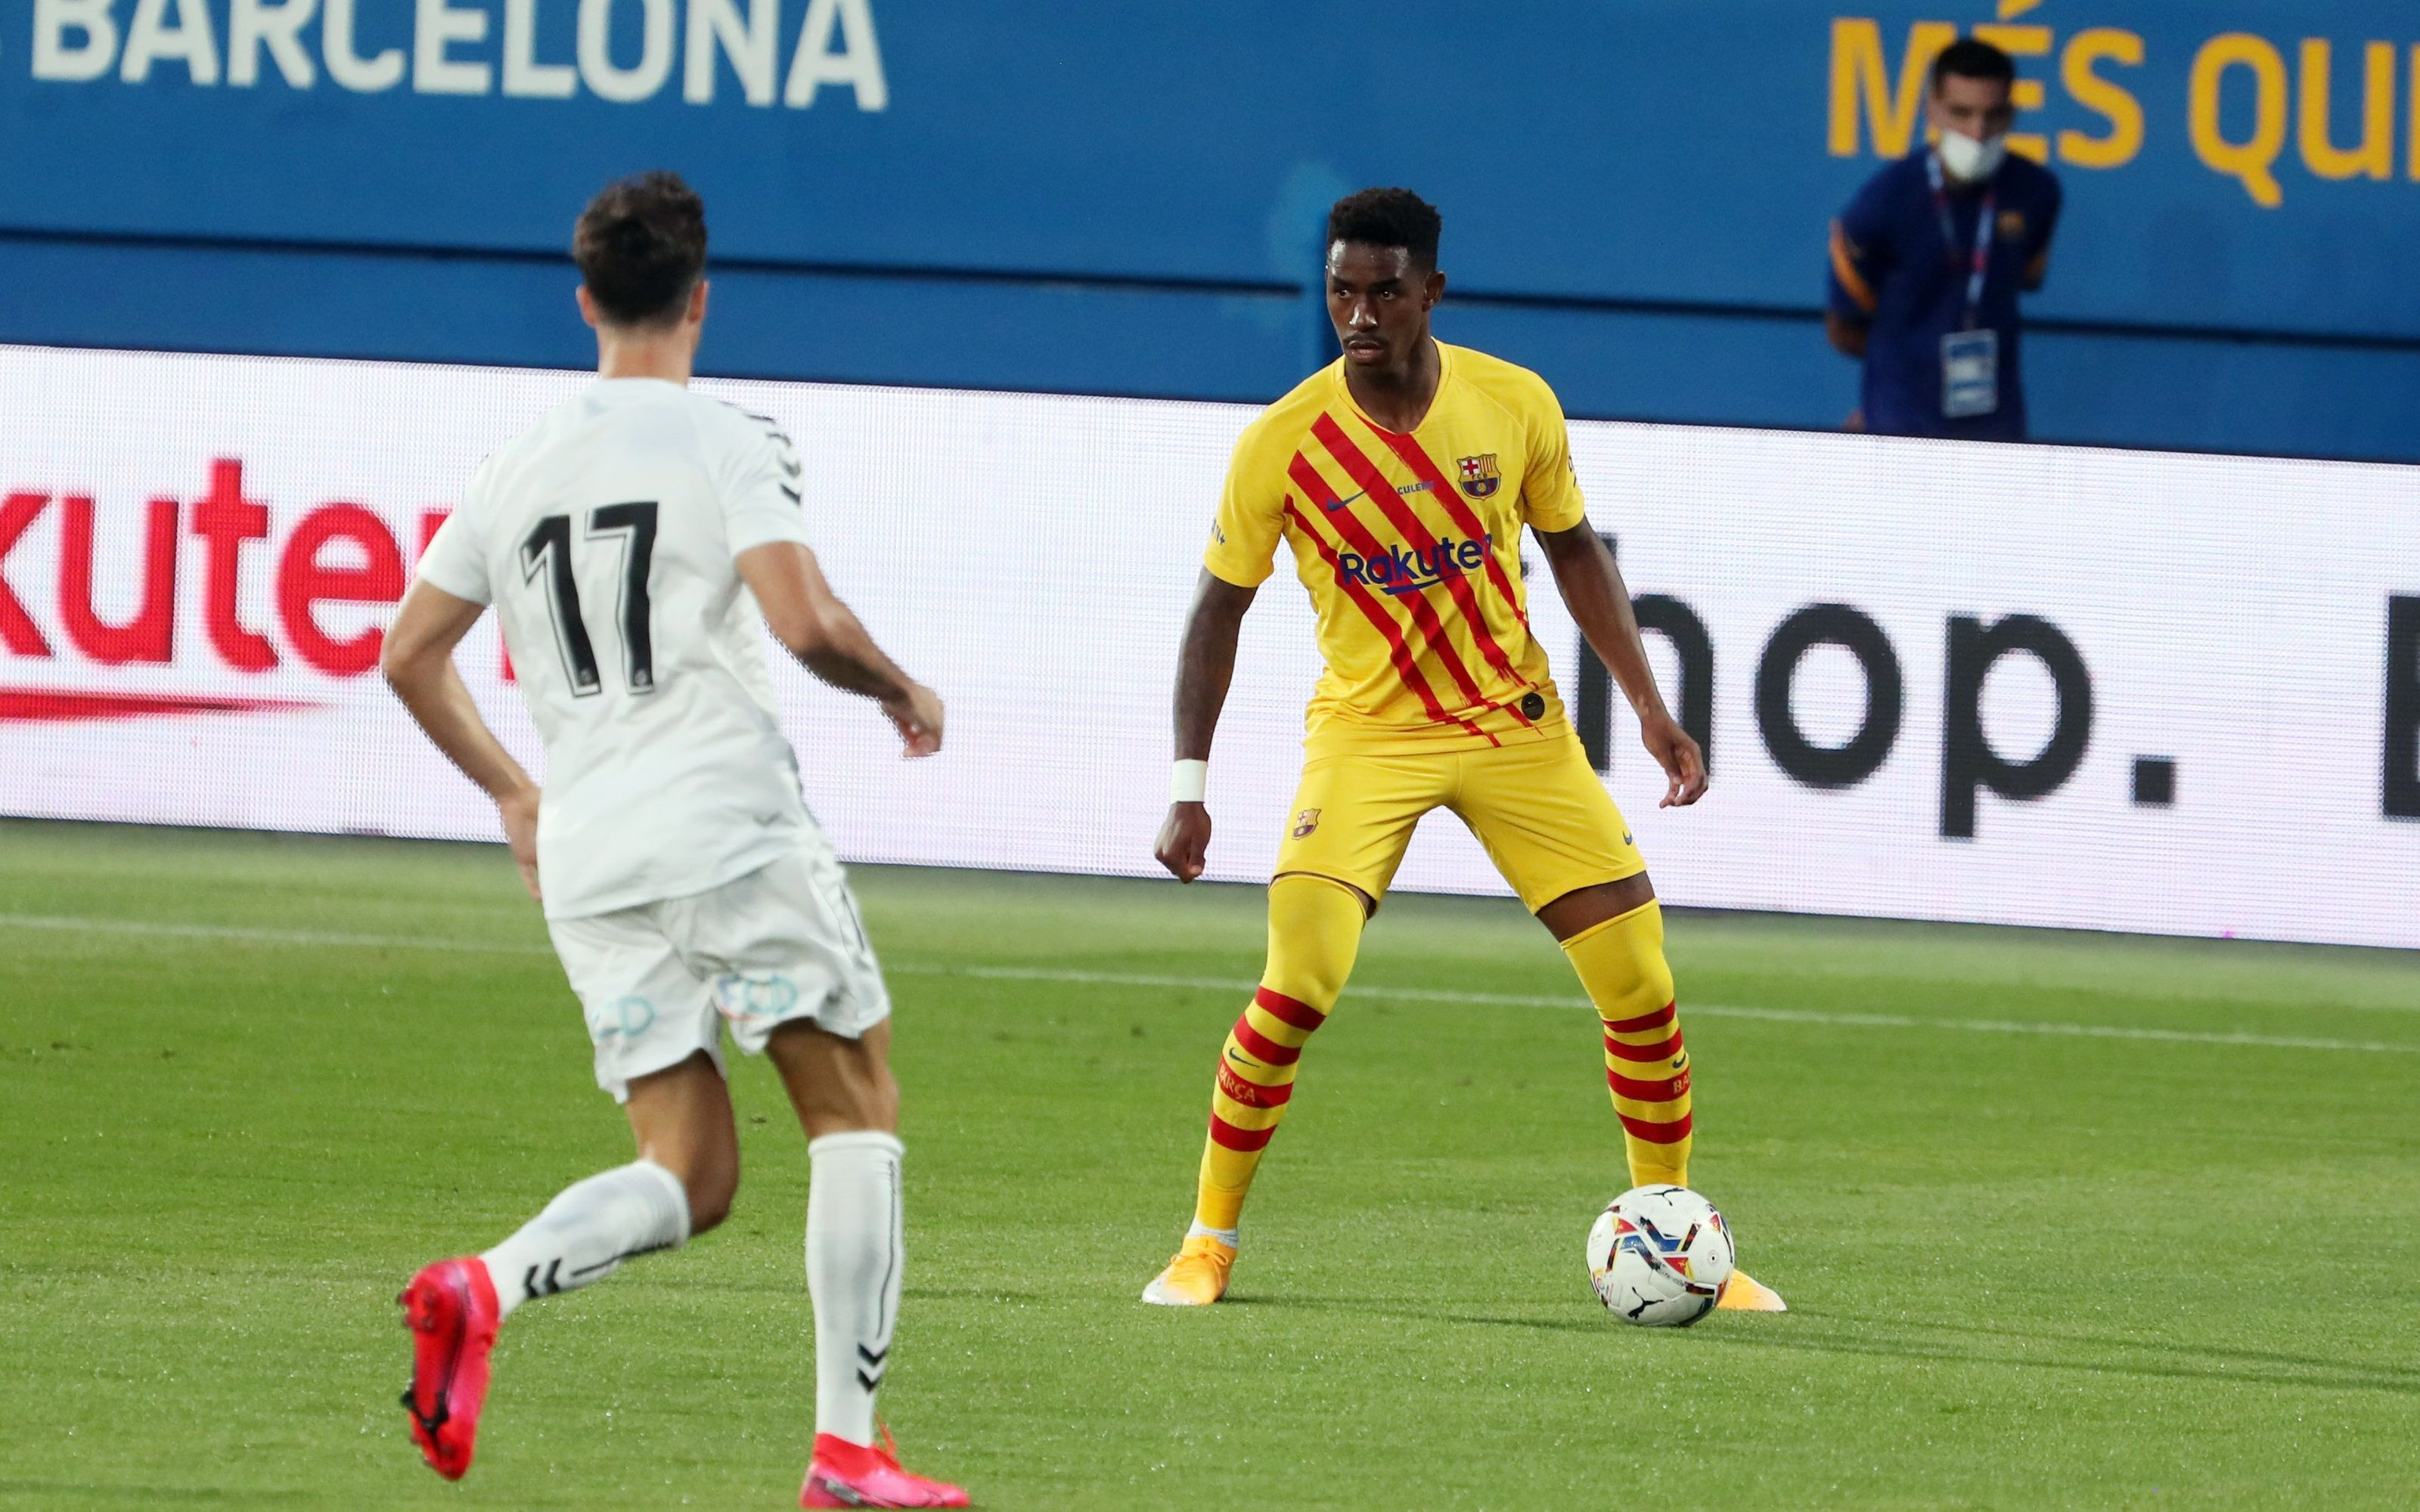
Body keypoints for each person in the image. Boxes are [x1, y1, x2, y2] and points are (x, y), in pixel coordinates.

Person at [379, 171, 967, 1510]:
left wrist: (514, 796)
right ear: (701, 300)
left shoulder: (515, 462)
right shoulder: (727, 439)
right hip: (725, 826)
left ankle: (486, 1285)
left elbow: (409, 656)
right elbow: (805, 621)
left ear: (585, 300)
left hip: (588, 849)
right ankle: (847, 1450)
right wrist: (904, 691)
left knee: (690, 1171)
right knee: (854, 1106)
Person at [1142, 186, 1784, 1314]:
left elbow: (1577, 552)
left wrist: (1647, 705)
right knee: (1298, 981)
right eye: (1342, 289)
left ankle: (1677, 1241)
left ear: (1431, 291)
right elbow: (1216, 612)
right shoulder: (1283, 443)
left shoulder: (1513, 404)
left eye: (1385, 291)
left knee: (1640, 979)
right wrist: (1189, 788)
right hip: (1369, 736)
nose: (1360, 312)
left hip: (1512, 728)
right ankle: (1207, 1243)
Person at [1826, 38, 2062, 441]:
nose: (1977, 132)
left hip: (1997, 432)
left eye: (1992, 116)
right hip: (1900, 429)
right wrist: (1905, 372)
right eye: (1961, 113)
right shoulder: (1882, 204)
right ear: (1931, 109)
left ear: (2011, 114)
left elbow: (2026, 276)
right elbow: (1844, 330)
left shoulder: (2035, 192)